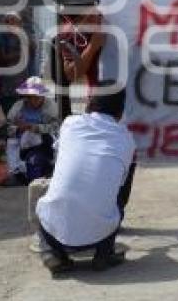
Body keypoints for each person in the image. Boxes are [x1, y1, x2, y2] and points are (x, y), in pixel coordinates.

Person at [36, 86, 135, 276]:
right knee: (118, 187)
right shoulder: (126, 139)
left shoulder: (70, 124)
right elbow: (120, 186)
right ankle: (104, 254)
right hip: (100, 234)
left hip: (55, 230)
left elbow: (59, 158)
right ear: (121, 111)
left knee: (46, 202)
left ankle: (52, 254)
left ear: (89, 103)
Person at [7, 76, 60, 183]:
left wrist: (36, 128)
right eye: (31, 97)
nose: (34, 100)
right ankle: (15, 171)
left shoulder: (51, 106)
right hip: (21, 141)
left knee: (35, 163)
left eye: (37, 97)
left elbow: (55, 127)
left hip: (43, 142)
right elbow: (8, 126)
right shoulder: (18, 107)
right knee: (11, 142)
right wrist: (18, 129)